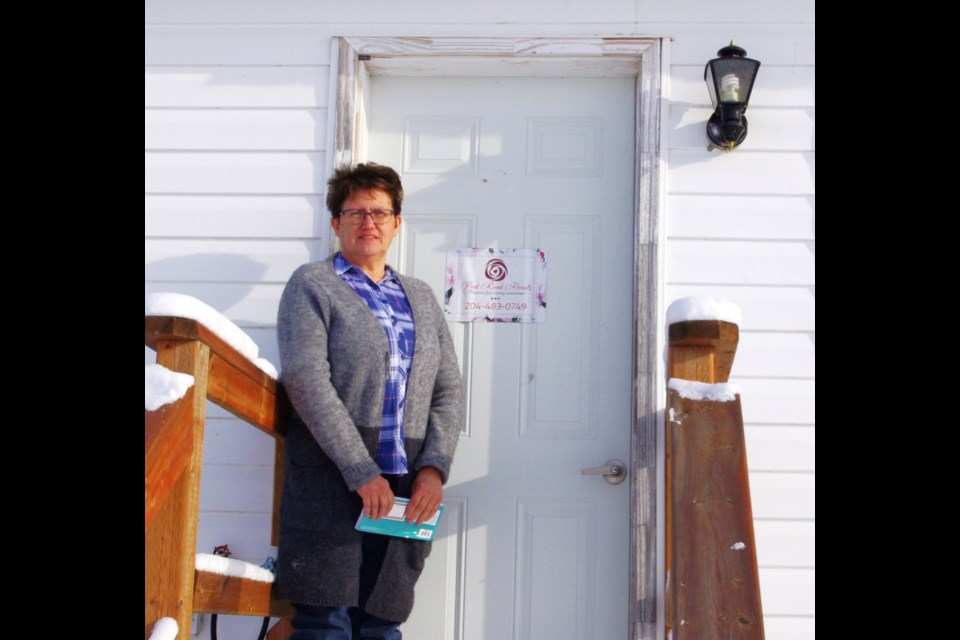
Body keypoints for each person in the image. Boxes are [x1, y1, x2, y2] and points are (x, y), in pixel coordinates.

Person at [275, 162, 463, 640]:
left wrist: (434, 468)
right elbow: (305, 378)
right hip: (330, 479)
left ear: (398, 222)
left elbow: (448, 388)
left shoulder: (420, 296)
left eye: (380, 212)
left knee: (382, 622)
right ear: (336, 222)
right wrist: (361, 470)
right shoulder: (312, 285)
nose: (369, 222)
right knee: (325, 621)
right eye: (354, 211)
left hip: (406, 487)